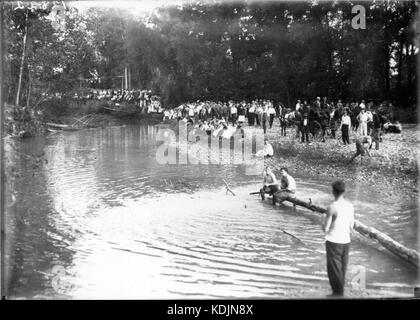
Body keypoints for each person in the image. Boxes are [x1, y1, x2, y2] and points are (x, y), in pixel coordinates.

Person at [323, 180, 355, 297]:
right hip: (346, 241)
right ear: (344, 191)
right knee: (342, 268)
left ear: (333, 192)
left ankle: (337, 294)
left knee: (334, 269)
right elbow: (351, 226)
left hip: (333, 241)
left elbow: (325, 228)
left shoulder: (332, 207)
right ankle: (340, 292)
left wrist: (324, 220)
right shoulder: (350, 206)